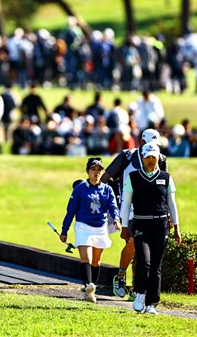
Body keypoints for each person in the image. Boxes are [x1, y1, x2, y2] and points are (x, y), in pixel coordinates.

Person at [101, 128, 168, 299]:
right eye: (151, 145)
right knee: (132, 244)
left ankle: (137, 286)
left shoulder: (161, 159)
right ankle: (121, 276)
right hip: (128, 207)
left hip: (151, 208)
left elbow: (164, 186)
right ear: (143, 143)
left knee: (144, 248)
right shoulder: (127, 156)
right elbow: (105, 178)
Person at [120, 142, 182, 315]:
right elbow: (126, 204)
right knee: (144, 262)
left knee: (156, 266)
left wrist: (176, 227)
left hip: (161, 225)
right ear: (142, 158)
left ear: (158, 158)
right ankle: (140, 292)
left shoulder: (166, 177)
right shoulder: (133, 177)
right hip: (141, 224)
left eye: (153, 157)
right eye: (147, 157)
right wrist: (125, 227)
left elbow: (172, 204)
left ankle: (152, 304)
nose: (150, 160)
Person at [60, 157, 120, 303]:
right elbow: (71, 210)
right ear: (87, 171)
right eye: (93, 169)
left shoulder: (107, 189)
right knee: (86, 258)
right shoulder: (79, 189)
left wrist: (117, 220)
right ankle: (88, 287)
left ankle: (91, 290)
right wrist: (64, 230)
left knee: (97, 261)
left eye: (99, 170)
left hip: (100, 227)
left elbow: (113, 207)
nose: (96, 172)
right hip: (83, 226)